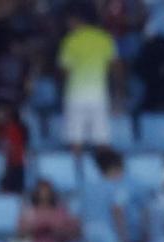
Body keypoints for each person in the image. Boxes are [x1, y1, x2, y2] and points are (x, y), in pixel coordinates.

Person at [59, 5, 118, 151]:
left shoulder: (71, 40)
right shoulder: (105, 38)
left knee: (75, 139)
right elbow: (115, 66)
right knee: (102, 138)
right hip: (99, 95)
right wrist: (118, 91)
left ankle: (77, 172)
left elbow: (64, 71)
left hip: (75, 94)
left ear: (77, 19)